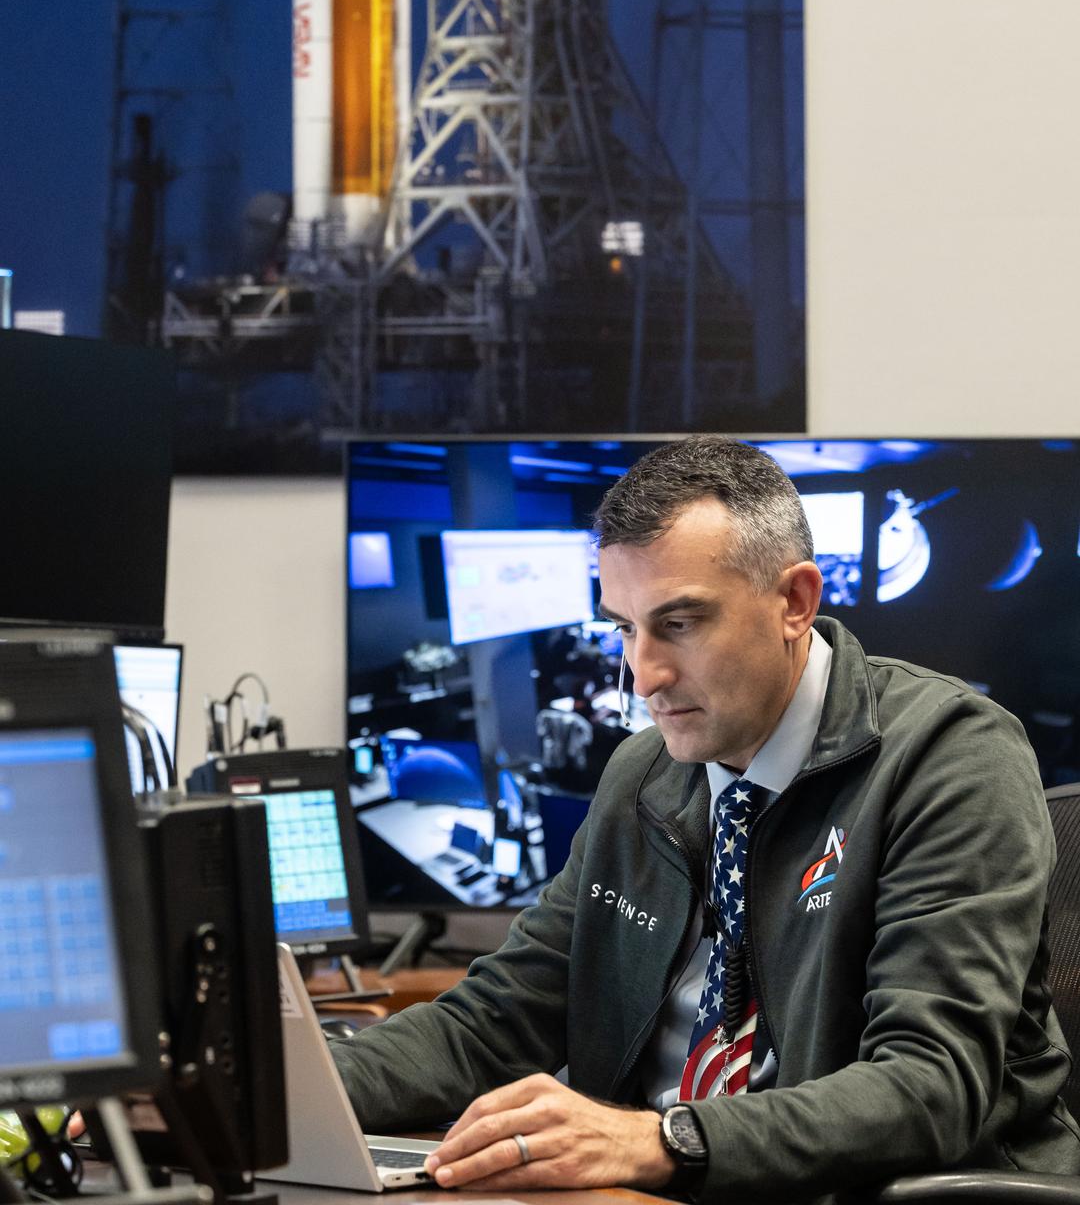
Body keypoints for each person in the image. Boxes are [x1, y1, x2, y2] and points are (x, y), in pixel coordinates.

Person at [329, 437, 1080, 1200]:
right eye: (625, 628)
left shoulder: (950, 755)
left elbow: (929, 1085)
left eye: (680, 624)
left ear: (795, 602)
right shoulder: (642, 772)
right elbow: (495, 1018)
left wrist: (662, 1139)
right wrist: (295, 1089)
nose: (644, 677)